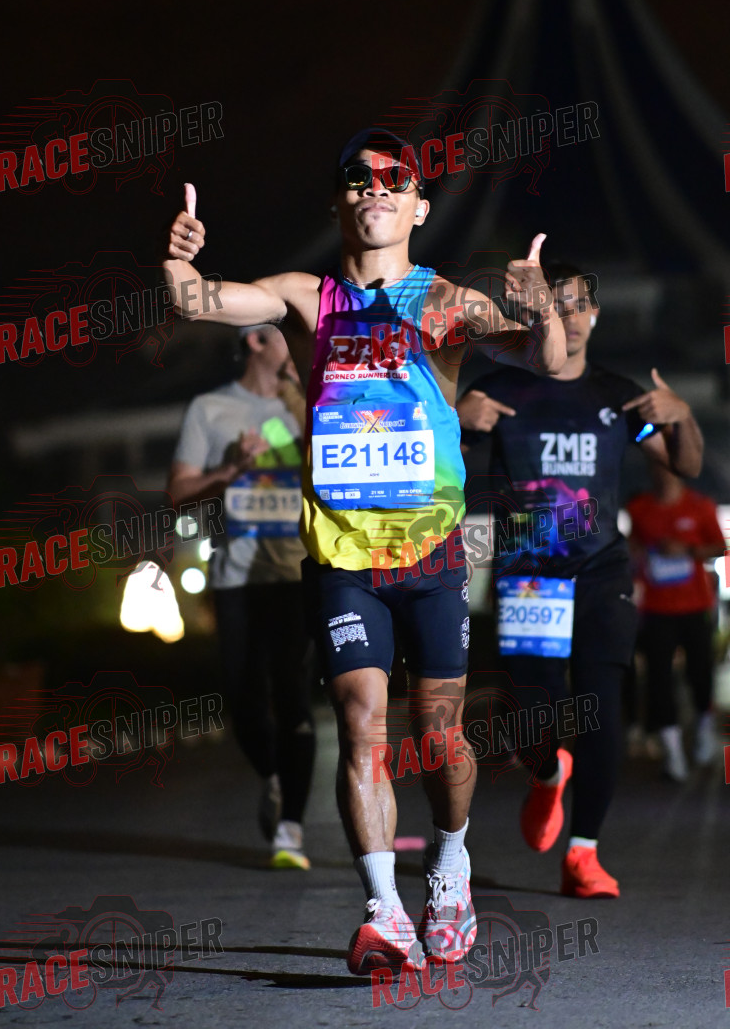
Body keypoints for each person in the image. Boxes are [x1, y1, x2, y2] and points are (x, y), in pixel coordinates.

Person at [163, 128, 567, 974]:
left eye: (394, 177)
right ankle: (384, 912)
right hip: (344, 559)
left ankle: (449, 866)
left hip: (431, 554)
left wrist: (541, 309)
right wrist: (179, 260)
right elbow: (198, 302)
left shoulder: (444, 301)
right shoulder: (308, 298)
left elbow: (547, 360)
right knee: (360, 728)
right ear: (340, 202)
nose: (375, 186)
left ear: (418, 205)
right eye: (358, 176)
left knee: (441, 735)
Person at [457, 262, 704, 898]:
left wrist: (681, 415)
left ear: (594, 314)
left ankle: (584, 853)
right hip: (529, 576)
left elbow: (685, 464)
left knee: (601, 708)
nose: (566, 317)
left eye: (577, 305)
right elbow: (438, 466)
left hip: (601, 572)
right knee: (530, 715)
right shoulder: (499, 387)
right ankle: (546, 775)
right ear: (534, 313)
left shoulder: (618, 396)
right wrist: (457, 421)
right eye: (555, 304)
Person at [169, 324, 316, 868]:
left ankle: (291, 831)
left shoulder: (311, 407)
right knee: (245, 702)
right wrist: (231, 469)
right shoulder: (210, 409)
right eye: (286, 336)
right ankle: (272, 775)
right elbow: (179, 491)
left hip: (298, 576)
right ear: (255, 342)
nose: (300, 345)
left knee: (294, 697)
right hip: (236, 580)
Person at [627, 459, 725, 779]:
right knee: (659, 677)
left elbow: (719, 547)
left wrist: (687, 550)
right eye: (657, 467)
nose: (663, 474)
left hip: (695, 605)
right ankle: (672, 752)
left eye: (669, 468)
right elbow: (633, 548)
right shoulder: (640, 508)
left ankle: (703, 730)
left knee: (700, 672)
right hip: (657, 608)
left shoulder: (700, 506)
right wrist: (639, 554)